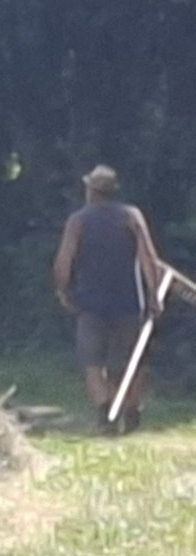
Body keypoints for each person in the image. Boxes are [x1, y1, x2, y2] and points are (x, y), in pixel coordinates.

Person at [52, 165, 164, 435]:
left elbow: (64, 260)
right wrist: (153, 295)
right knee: (131, 363)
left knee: (93, 362)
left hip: (90, 302)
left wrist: (63, 291)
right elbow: (149, 259)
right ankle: (131, 412)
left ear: (90, 190)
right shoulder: (130, 216)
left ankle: (105, 413)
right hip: (128, 302)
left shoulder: (78, 221)